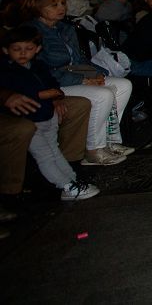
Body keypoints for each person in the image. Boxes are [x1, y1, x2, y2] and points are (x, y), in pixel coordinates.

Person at [26, 0, 133, 164]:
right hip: (55, 82)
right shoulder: (33, 32)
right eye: (54, 5)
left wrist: (97, 73)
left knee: (122, 85)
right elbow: (41, 69)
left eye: (62, 4)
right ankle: (92, 149)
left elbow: (79, 59)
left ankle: (108, 140)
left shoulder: (65, 28)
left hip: (75, 73)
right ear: (39, 8)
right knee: (103, 95)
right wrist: (82, 80)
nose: (61, 8)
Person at [0, 27, 100, 201]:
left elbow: (53, 84)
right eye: (16, 49)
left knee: (54, 151)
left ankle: (72, 179)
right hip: (30, 117)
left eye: (28, 49)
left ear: (37, 49)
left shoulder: (38, 66)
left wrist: (55, 95)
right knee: (44, 155)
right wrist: (44, 94)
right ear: (6, 50)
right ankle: (65, 185)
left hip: (47, 115)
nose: (23, 53)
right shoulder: (8, 71)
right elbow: (21, 92)